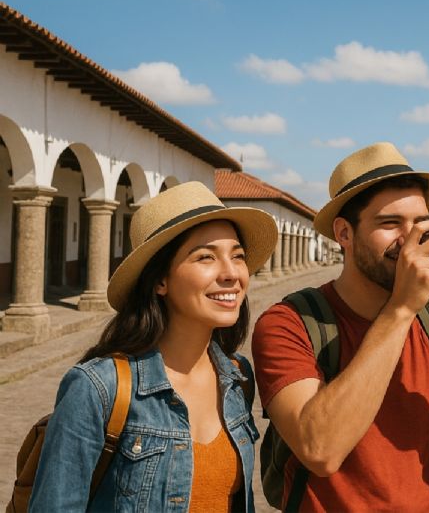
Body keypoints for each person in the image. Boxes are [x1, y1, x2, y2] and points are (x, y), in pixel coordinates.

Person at [252, 142, 429, 511]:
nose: (412, 240)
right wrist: (401, 309)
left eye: (421, 224)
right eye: (390, 223)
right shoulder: (289, 323)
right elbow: (320, 450)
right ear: (344, 234)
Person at [29, 181, 277, 512]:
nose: (231, 273)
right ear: (160, 280)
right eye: (206, 257)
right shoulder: (99, 388)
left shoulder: (237, 378)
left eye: (238, 256)